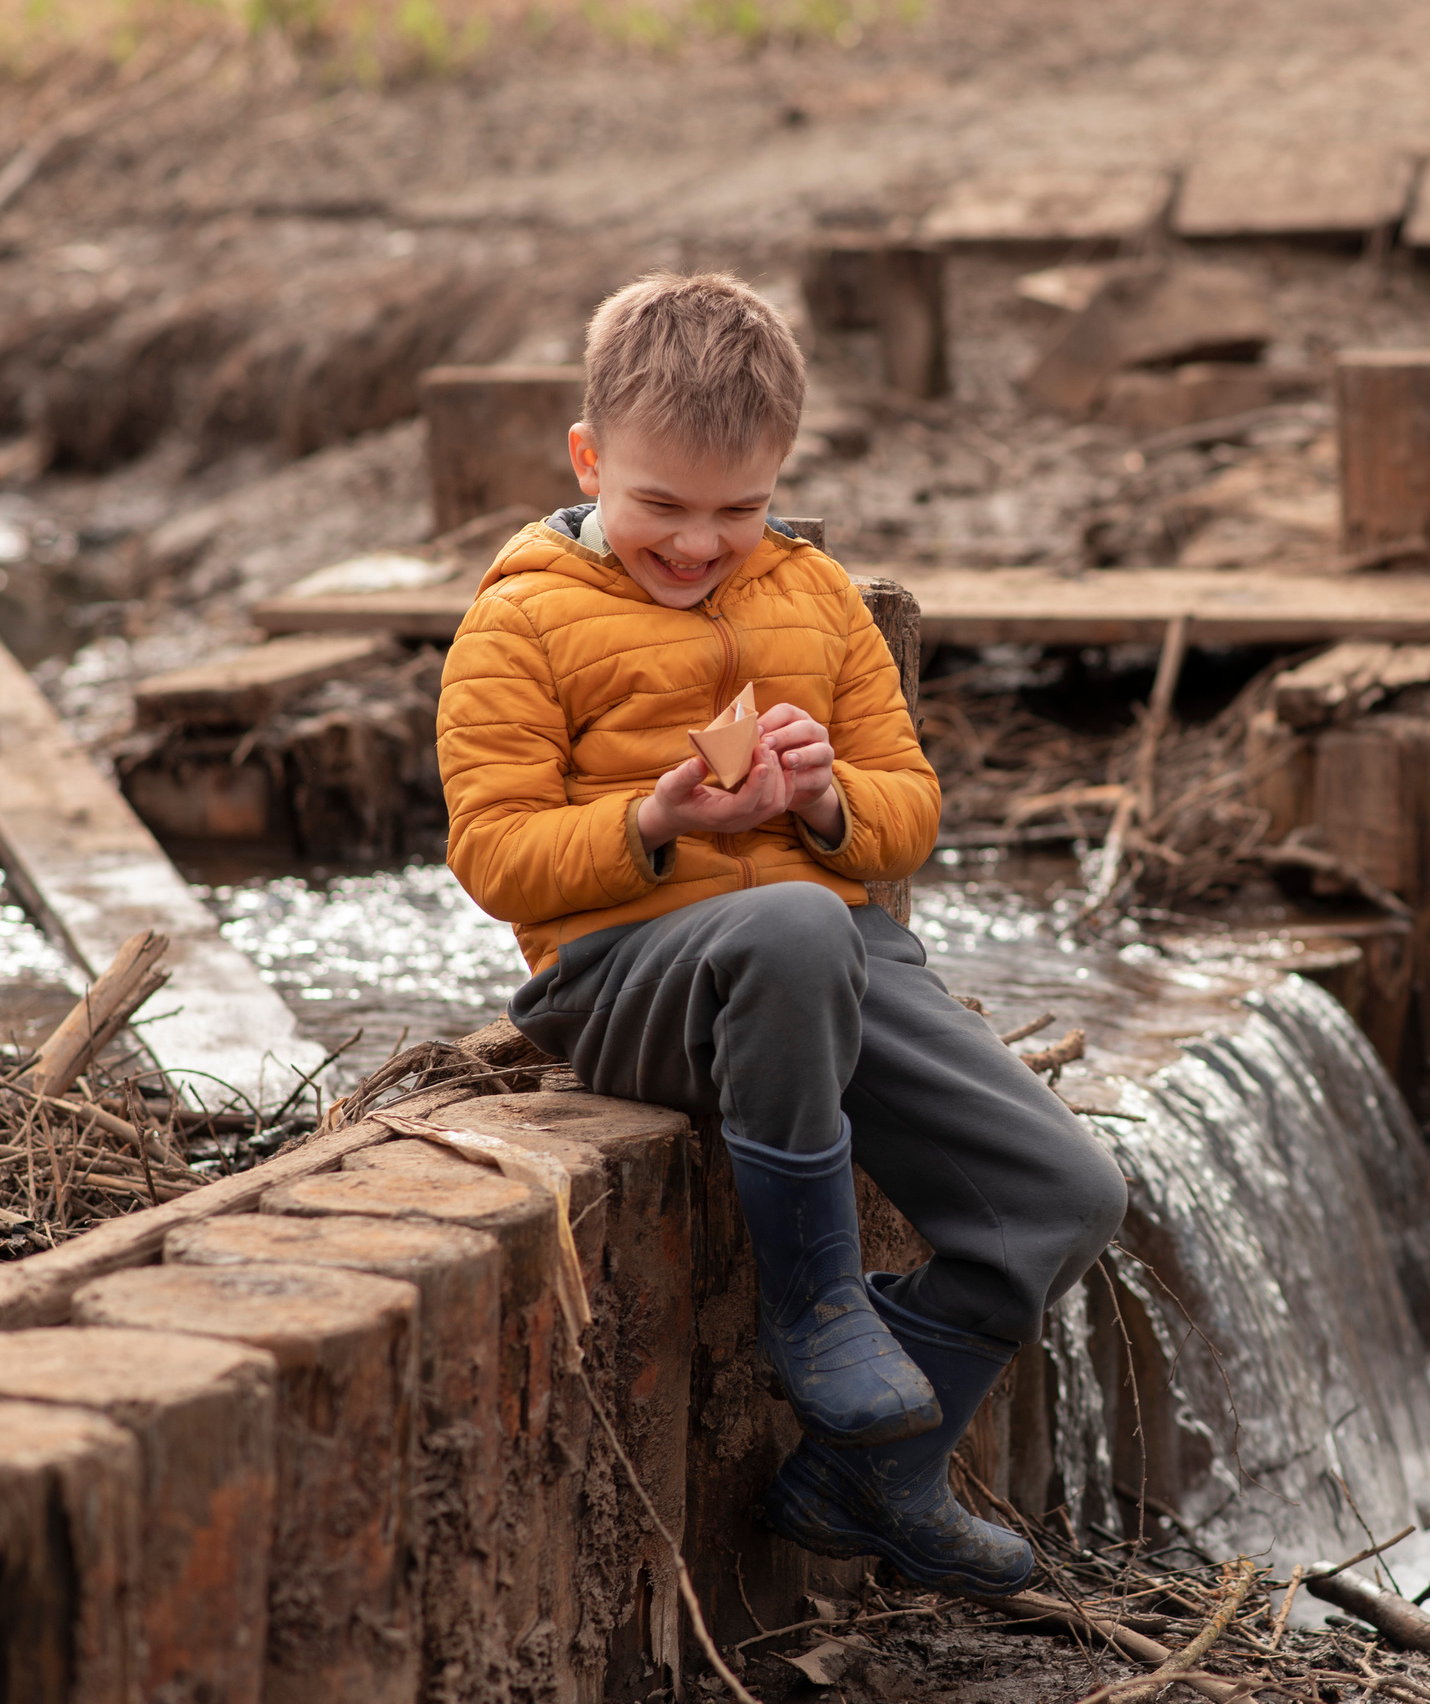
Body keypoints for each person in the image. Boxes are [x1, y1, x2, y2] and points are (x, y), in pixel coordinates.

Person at [435, 270, 1127, 1596]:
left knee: (1065, 1199)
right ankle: (816, 1306)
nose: (700, 544)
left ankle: (874, 1476)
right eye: (662, 507)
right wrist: (650, 817)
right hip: (625, 984)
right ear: (589, 460)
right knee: (799, 925)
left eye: (739, 511)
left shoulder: (819, 600)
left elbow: (908, 812)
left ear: (781, 480)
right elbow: (494, 853)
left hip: (836, 961)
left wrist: (824, 802)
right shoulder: (520, 619)